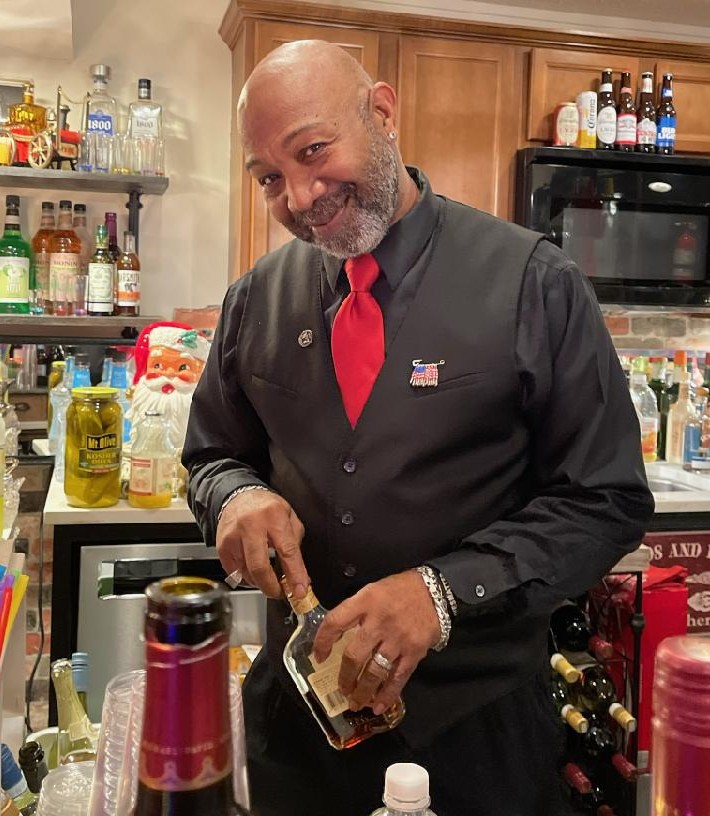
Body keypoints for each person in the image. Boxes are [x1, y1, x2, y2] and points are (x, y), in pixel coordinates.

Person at [182, 40, 654, 816]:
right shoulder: (253, 298)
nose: (298, 197)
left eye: (312, 151)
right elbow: (212, 454)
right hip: (299, 731)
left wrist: (443, 592)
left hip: (478, 734)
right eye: (269, 177)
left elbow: (605, 500)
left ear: (383, 113)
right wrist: (233, 494)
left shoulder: (535, 284)